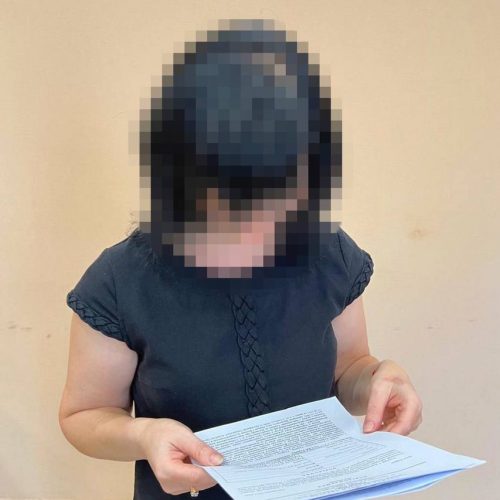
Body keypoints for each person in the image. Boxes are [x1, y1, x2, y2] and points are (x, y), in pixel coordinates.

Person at [58, 19, 423, 500]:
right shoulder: (120, 282)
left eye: (282, 210)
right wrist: (144, 435)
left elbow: (347, 371)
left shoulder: (329, 253)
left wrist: (379, 381)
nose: (261, 237)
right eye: (233, 215)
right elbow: (83, 416)